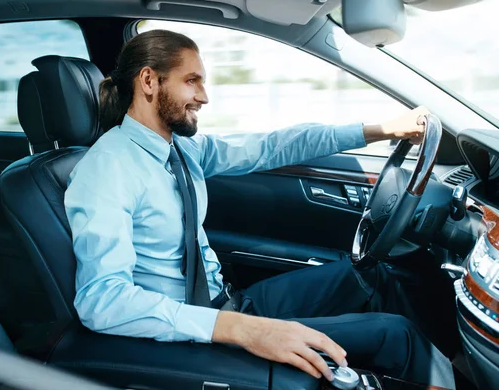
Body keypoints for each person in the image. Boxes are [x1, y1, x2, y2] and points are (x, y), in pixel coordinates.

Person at [64, 30, 455, 388]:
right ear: (149, 81)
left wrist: (380, 130)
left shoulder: (181, 149)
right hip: (195, 331)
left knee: (375, 277)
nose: (204, 96)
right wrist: (241, 329)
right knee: (397, 334)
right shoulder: (107, 169)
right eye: (192, 80)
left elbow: (275, 146)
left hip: (228, 302)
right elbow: (103, 300)